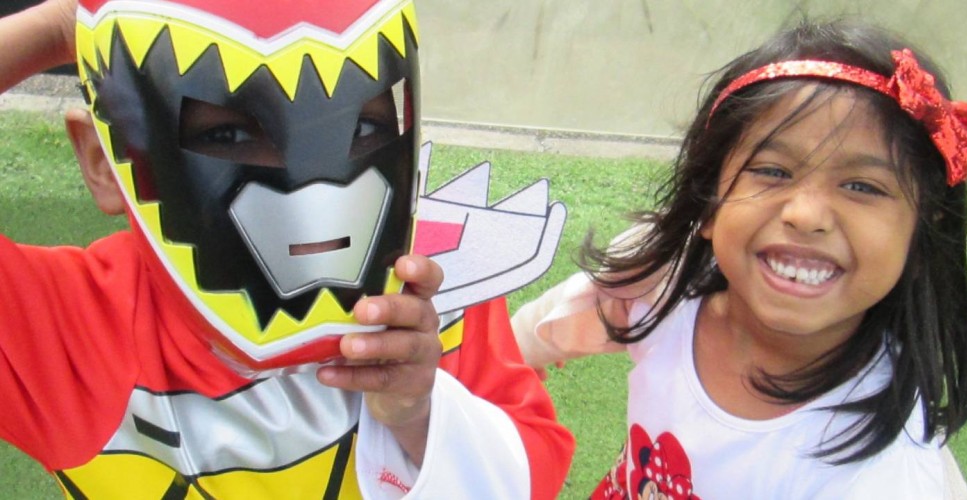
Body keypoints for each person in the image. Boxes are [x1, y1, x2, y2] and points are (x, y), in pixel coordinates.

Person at [0, 0, 573, 498]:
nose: (314, 193)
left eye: (363, 127)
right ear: (103, 161)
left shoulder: (432, 292)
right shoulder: (70, 331)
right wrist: (60, 24)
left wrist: (418, 412)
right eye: (228, 134)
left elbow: (532, 475)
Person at [513, 19, 967, 499]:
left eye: (862, 186)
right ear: (708, 200)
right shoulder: (657, 276)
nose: (806, 216)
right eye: (773, 171)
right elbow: (534, 331)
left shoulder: (889, 478)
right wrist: (504, 369)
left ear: (924, 235)